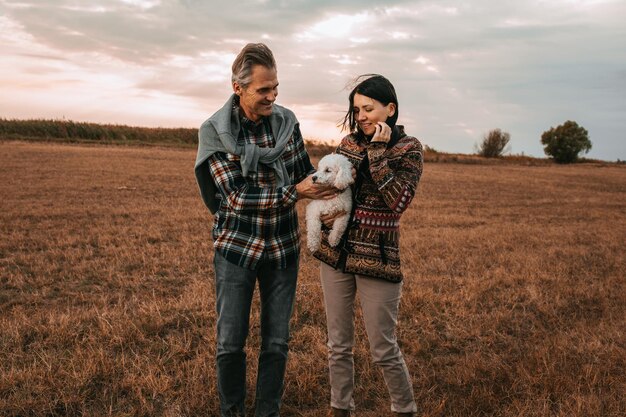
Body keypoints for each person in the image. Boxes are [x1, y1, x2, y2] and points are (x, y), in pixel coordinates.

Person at [194, 43, 338, 417]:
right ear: (237, 87)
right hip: (236, 248)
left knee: (277, 342)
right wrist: (295, 192)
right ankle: (232, 411)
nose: (272, 96)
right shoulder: (215, 131)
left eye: (276, 87)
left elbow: (302, 172)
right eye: (263, 90)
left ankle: (267, 412)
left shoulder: (287, 123)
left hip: (282, 249)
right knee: (230, 343)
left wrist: (335, 181)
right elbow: (236, 198)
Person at [313, 74, 423, 417]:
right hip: (336, 255)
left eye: (368, 108)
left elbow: (397, 201)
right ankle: (340, 408)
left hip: (378, 256)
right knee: (338, 344)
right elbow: (333, 189)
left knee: (383, 347)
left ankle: (405, 409)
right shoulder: (348, 143)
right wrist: (327, 212)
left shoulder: (409, 149)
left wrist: (377, 152)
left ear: (389, 109)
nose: (360, 116)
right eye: (356, 109)